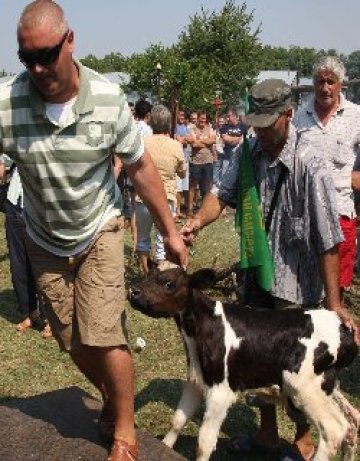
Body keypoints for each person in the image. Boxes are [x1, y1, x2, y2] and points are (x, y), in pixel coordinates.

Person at [0, 3, 188, 461]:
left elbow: (141, 167)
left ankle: (124, 431)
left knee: (104, 333)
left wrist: (171, 231)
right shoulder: (7, 105)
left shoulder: (107, 97)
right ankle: (112, 396)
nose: (38, 68)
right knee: (71, 340)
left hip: (100, 228)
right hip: (44, 238)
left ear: (70, 41)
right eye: (27, 59)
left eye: (46, 54)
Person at [181, 79, 360, 461]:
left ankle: (303, 442)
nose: (260, 131)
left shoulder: (310, 163)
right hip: (255, 279)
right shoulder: (248, 149)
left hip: (295, 288)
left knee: (297, 371)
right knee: (255, 360)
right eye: (256, 122)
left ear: (288, 114)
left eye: (268, 123)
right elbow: (220, 194)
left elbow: (329, 238)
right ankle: (266, 436)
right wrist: (197, 221)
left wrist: (334, 302)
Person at [294, 55, 360, 301]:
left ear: (340, 84)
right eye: (320, 82)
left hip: (341, 214)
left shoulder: (356, 115)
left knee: (336, 289)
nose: (325, 88)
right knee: (307, 283)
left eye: (330, 82)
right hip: (307, 216)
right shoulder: (299, 118)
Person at [0, 157, 51, 338]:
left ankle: (50, 319)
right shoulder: (17, 137)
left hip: (38, 210)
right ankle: (31, 313)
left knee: (42, 266)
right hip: (14, 205)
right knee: (18, 267)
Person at [135, 105, 186, 276]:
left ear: (151, 121)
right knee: (163, 239)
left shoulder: (142, 142)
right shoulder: (175, 145)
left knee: (142, 240)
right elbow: (182, 171)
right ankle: (161, 276)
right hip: (167, 197)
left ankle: (146, 274)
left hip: (143, 197)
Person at [187, 111, 216, 215]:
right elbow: (194, 145)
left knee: (206, 186)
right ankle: (190, 209)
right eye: (201, 119)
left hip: (208, 161)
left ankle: (204, 209)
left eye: (204, 119)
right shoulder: (192, 129)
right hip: (196, 162)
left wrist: (201, 141)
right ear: (198, 119)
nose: (203, 121)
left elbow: (213, 140)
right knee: (193, 186)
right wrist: (206, 141)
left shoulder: (210, 128)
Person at [220, 106, 245, 177]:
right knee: (225, 176)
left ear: (234, 116)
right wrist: (238, 138)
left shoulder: (242, 126)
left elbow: (243, 139)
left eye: (229, 116)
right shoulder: (224, 127)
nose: (227, 118)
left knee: (238, 176)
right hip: (227, 157)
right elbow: (225, 138)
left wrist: (231, 139)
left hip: (239, 157)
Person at [175, 109, 191, 220]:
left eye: (183, 115)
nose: (181, 117)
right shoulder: (174, 127)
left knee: (185, 186)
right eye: (179, 115)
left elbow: (189, 140)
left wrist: (184, 140)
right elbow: (177, 140)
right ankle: (177, 210)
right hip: (177, 159)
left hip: (185, 159)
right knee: (178, 187)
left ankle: (186, 208)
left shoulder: (186, 127)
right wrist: (183, 140)